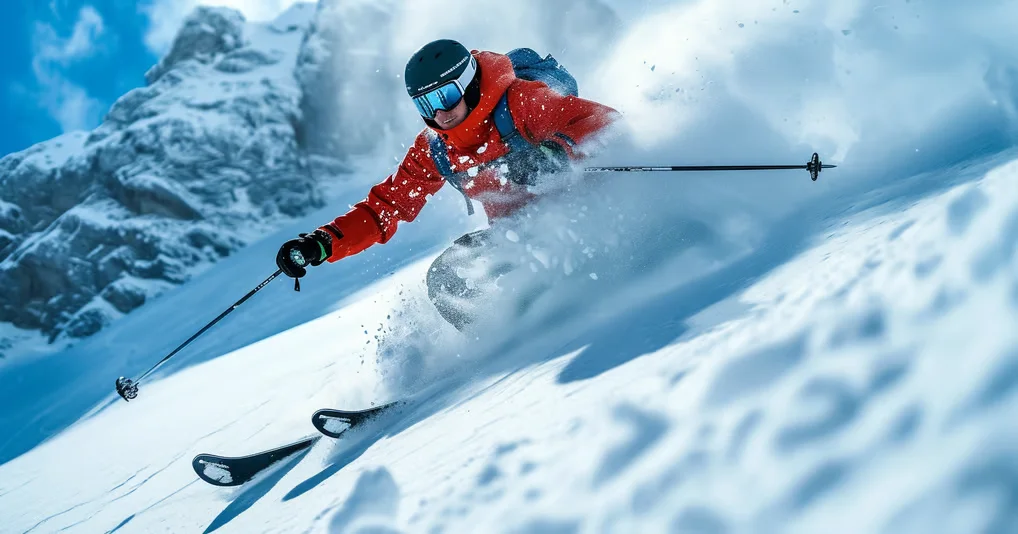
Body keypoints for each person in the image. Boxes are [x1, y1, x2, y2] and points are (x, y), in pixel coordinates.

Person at [276, 39, 620, 330]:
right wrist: (321, 243)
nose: (439, 114)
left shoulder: (521, 102)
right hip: (517, 235)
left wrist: (556, 151)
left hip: (580, 211)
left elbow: (601, 121)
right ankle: (500, 342)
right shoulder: (435, 147)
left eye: (445, 97)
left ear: (469, 82)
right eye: (426, 104)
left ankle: (557, 316)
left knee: (536, 257)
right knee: (448, 279)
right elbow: (386, 207)